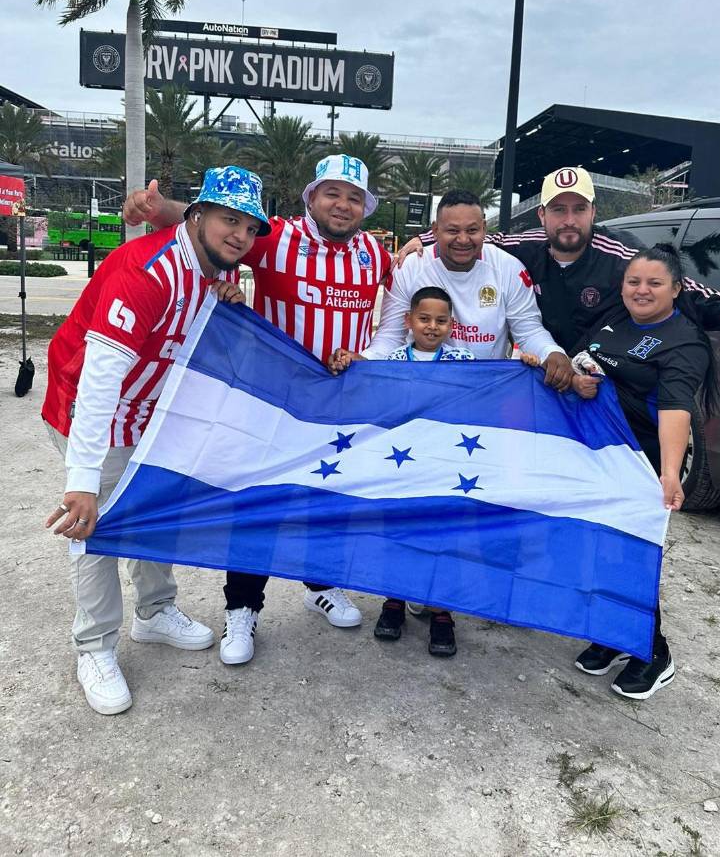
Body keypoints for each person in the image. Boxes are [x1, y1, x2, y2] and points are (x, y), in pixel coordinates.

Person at [122, 154, 392, 665]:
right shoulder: (276, 238)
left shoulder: (376, 255)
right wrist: (158, 209)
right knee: (256, 501)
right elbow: (212, 223)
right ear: (311, 197)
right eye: (332, 192)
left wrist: (368, 357)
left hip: (338, 404)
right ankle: (242, 607)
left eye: (355, 197)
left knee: (326, 497)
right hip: (271, 400)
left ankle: (322, 584)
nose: (343, 204)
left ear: (365, 208)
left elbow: (394, 320)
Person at [43, 166, 266, 715]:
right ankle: (94, 646)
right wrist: (82, 480)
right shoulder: (147, 271)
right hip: (91, 409)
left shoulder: (210, 272)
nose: (238, 234)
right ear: (197, 216)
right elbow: (99, 382)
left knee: (153, 509)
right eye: (227, 219)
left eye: (248, 226)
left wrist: (229, 305)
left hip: (149, 413)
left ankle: (154, 611)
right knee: (98, 527)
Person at [569, 242, 719, 699]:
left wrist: (670, 472)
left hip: (641, 465)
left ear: (675, 289)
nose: (642, 290)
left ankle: (654, 652)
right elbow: (581, 359)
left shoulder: (684, 341)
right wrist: (580, 379)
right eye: (634, 281)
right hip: (598, 457)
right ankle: (616, 634)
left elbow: (676, 407)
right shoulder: (615, 321)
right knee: (598, 548)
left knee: (629, 554)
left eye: (655, 283)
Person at [402, 166, 720, 350]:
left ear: (592, 212)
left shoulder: (619, 255)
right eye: (558, 209)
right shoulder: (526, 246)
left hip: (605, 383)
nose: (568, 220)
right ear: (542, 216)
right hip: (543, 374)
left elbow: (671, 283)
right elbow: (477, 236)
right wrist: (425, 237)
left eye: (578, 209)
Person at [330, 286, 475, 656]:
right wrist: (348, 366)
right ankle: (394, 602)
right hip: (399, 469)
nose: (432, 327)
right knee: (396, 536)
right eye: (424, 319)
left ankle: (442, 613)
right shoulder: (391, 361)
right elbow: (373, 403)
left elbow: (480, 406)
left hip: (444, 470)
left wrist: (528, 366)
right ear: (408, 321)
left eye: (441, 320)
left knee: (443, 538)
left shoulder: (465, 362)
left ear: (451, 325)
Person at [360, 189, 574, 392]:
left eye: (472, 230)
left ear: (484, 228)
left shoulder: (509, 268)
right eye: (452, 230)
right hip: (419, 387)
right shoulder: (409, 268)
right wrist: (365, 359)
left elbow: (528, 330)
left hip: (485, 391)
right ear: (435, 230)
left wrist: (551, 352)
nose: (463, 240)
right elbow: (391, 335)